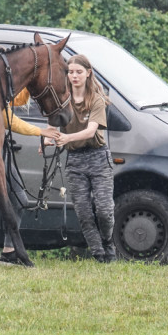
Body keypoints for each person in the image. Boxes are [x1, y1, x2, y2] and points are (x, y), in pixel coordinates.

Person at [0, 43, 59, 266]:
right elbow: (12, 120)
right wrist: (41, 130)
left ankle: (1, 252)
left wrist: (30, 77)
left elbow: (17, 99)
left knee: (6, 201)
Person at [51, 53, 116, 263]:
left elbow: (91, 131)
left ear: (88, 73)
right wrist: (46, 140)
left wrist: (66, 136)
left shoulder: (96, 99)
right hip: (75, 160)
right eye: (70, 72)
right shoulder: (61, 99)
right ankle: (99, 256)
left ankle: (107, 242)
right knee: (84, 213)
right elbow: (52, 127)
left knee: (104, 210)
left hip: (97, 157)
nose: (74, 76)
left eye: (79, 72)